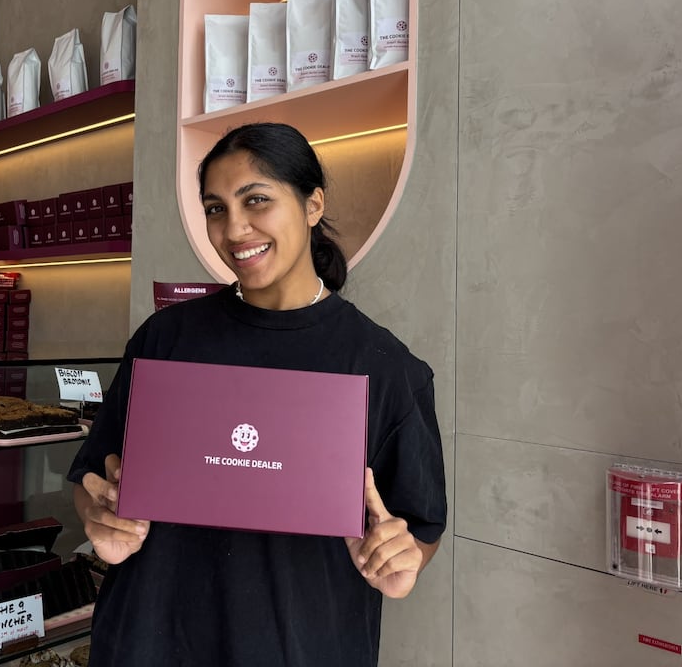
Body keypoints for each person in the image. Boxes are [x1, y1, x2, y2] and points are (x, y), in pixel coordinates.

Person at [68, 122, 447, 666]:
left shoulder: (385, 368)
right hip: (149, 638)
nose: (235, 228)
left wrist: (400, 558)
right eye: (216, 208)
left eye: (257, 200)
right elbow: (92, 475)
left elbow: (419, 525)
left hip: (303, 645)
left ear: (313, 203)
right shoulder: (166, 338)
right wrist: (100, 516)